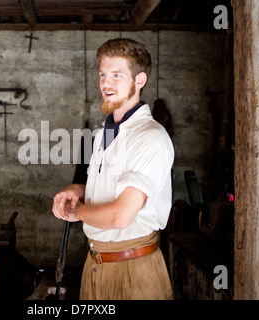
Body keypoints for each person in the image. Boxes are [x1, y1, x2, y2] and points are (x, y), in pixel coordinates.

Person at [52, 38, 174, 300]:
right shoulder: (106, 133)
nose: (106, 83)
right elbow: (112, 187)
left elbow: (121, 216)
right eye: (103, 74)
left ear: (139, 80)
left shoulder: (150, 136)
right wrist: (80, 189)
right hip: (96, 265)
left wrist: (79, 212)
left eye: (117, 75)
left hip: (133, 270)